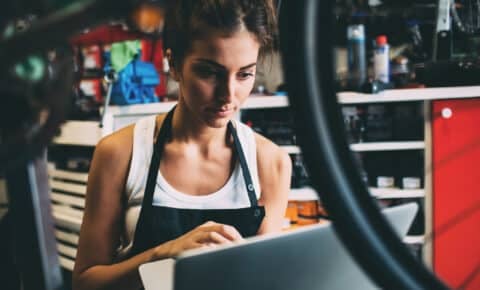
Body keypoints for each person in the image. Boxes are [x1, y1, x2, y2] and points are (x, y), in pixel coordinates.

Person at [72, 1, 291, 289]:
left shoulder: (270, 163)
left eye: (244, 74)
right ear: (174, 65)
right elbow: (85, 284)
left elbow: (264, 282)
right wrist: (163, 256)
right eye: (209, 72)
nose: (228, 95)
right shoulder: (120, 153)